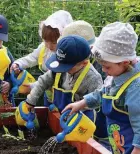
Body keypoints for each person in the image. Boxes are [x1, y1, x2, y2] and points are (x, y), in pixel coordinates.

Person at [62, 22, 140, 154]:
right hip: (118, 145)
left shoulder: (135, 89)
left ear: (125, 62)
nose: (103, 70)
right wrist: (81, 103)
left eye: (107, 67)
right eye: (101, 65)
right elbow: (102, 93)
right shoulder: (117, 74)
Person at [23, 35, 103, 121]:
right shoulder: (58, 69)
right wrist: (31, 100)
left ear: (84, 63)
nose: (62, 70)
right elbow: (43, 81)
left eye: (67, 67)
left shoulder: (93, 78)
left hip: (80, 121)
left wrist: (81, 105)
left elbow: (98, 100)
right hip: (59, 115)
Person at [60, 20, 109, 149]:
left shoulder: (100, 67)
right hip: (85, 108)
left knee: (102, 140)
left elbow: (103, 94)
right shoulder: (74, 64)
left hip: (101, 114)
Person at [11, 10, 73, 106]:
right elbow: (31, 58)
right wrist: (18, 64)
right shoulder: (44, 49)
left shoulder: (65, 55)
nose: (49, 45)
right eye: (45, 41)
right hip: (48, 95)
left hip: (63, 98)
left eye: (53, 42)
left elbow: (51, 77)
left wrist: (33, 87)